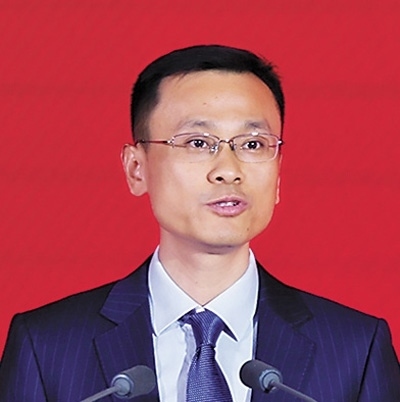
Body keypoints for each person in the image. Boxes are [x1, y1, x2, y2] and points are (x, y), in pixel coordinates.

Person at [0, 45, 399, 402]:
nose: (228, 170)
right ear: (137, 169)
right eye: (197, 143)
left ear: (278, 175)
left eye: (253, 144)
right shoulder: (46, 346)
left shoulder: (356, 350)